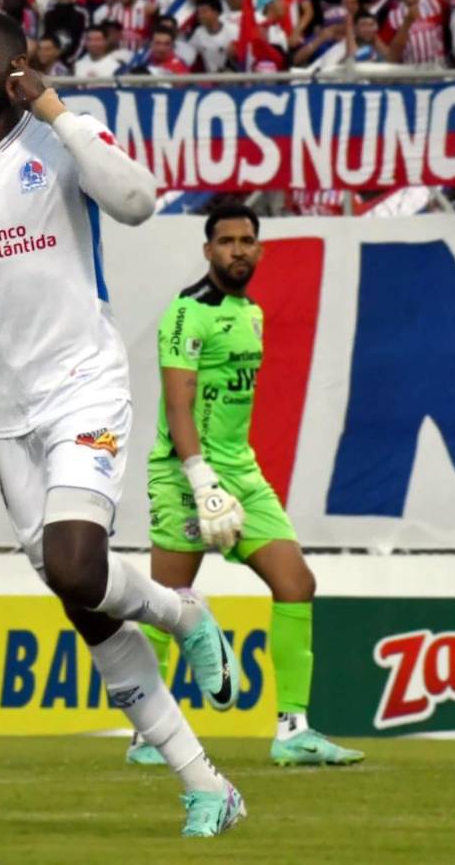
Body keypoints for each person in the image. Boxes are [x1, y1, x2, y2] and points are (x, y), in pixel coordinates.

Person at [0, 10, 245, 838]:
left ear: (18, 63)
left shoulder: (64, 137)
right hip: (3, 410)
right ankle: (206, 783)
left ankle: (182, 614)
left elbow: (138, 201)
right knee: (82, 600)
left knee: (74, 562)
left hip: (83, 386)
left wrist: (57, 110)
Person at [124, 204, 365, 768]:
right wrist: (200, 476)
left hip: (243, 474)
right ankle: (146, 736)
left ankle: (294, 730)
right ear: (207, 251)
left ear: (259, 249)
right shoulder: (187, 313)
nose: (238, 249)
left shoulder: (251, 313)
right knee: (168, 605)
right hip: (186, 475)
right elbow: (178, 404)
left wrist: (228, 477)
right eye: (226, 240)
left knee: (297, 582)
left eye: (247, 240)